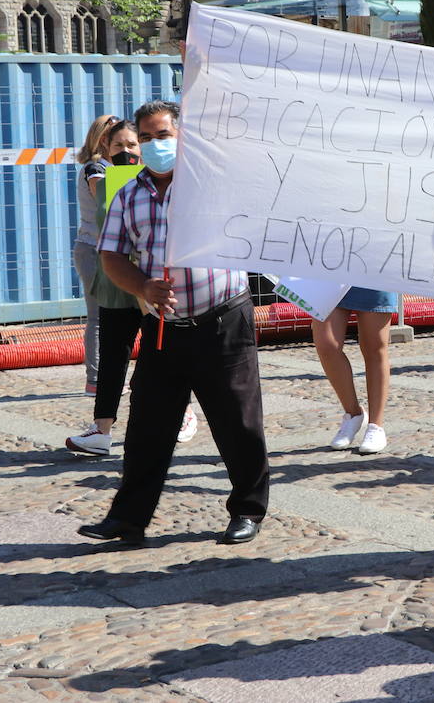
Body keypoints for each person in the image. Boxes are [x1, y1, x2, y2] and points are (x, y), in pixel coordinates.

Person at [77, 100, 270, 547]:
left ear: (183, 136)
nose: (153, 145)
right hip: (164, 326)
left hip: (223, 320)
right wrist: (143, 287)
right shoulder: (128, 194)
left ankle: (247, 510)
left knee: (238, 422)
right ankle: (127, 520)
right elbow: (110, 256)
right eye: (145, 138)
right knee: (147, 426)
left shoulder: (213, 182)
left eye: (162, 136)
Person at [67, 122, 187, 455]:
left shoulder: (165, 181)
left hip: (154, 280)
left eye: (133, 144)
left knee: (165, 353)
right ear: (106, 147)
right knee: (113, 353)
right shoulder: (106, 179)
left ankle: (181, 414)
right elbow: (109, 226)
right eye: (120, 145)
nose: (128, 151)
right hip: (121, 277)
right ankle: (101, 429)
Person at [314, 288, 398, 455]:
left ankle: (376, 425)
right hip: (329, 273)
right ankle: (353, 414)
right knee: (326, 345)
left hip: (374, 273)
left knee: (374, 347)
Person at [73, 114, 118, 398]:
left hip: (109, 249)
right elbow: (103, 196)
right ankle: (96, 380)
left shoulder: (114, 166)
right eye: (120, 140)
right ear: (104, 140)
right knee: (98, 317)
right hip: (93, 249)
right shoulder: (96, 168)